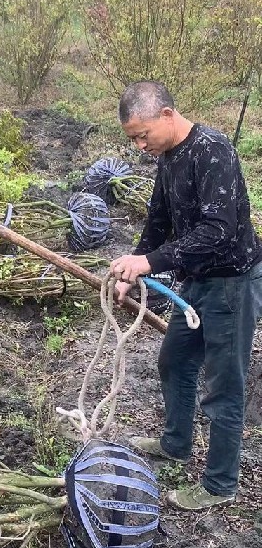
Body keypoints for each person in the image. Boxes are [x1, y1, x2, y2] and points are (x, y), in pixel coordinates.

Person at [109, 80, 262, 511]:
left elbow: (219, 231)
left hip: (232, 283)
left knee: (224, 386)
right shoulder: (169, 157)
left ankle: (219, 485)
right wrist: (132, 271)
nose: (140, 145)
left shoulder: (213, 151)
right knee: (174, 361)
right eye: (132, 138)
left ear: (167, 115)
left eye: (143, 134)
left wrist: (152, 262)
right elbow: (158, 219)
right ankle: (175, 444)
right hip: (195, 283)